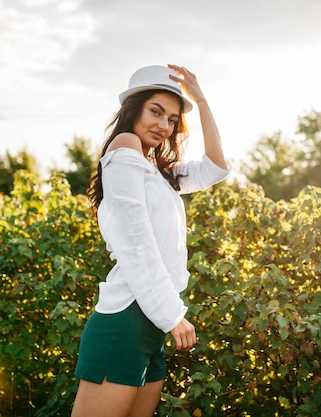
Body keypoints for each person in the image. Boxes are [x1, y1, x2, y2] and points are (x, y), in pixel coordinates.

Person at [71, 64, 230, 417]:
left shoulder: (158, 171)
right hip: (127, 319)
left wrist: (201, 101)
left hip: (150, 325)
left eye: (172, 119)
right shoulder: (124, 146)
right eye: (155, 112)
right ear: (134, 109)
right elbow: (136, 243)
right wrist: (172, 316)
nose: (163, 125)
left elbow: (217, 168)